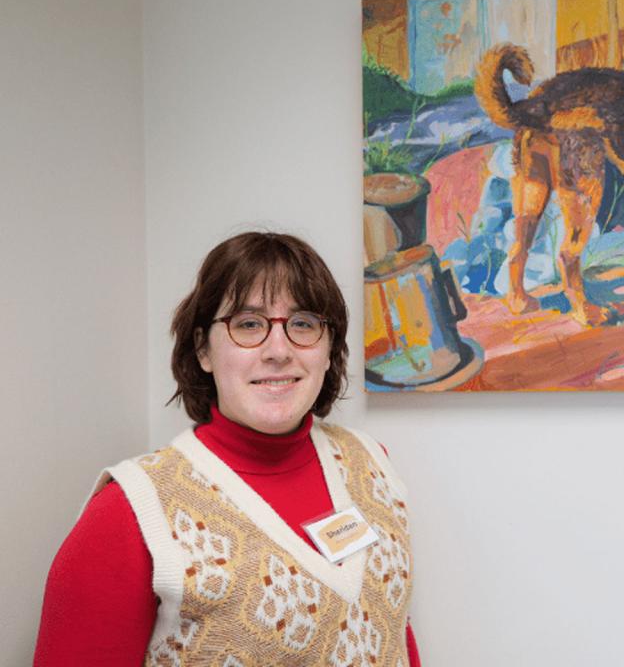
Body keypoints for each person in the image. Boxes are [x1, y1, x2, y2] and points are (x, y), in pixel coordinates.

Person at [34, 231, 420, 666]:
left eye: (303, 324)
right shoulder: (130, 513)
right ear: (203, 349)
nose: (279, 350)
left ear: (329, 349)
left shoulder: (372, 463)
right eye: (249, 324)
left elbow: (391, 631)